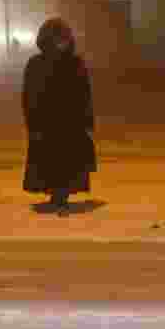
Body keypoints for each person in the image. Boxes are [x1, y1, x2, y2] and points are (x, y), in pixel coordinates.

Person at [22, 18, 97, 215]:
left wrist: (87, 120)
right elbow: (29, 96)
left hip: (70, 124)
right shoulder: (37, 64)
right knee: (52, 162)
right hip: (47, 123)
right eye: (57, 39)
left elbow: (84, 94)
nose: (61, 43)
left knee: (66, 162)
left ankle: (61, 195)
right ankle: (57, 195)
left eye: (64, 39)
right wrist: (33, 123)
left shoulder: (75, 63)